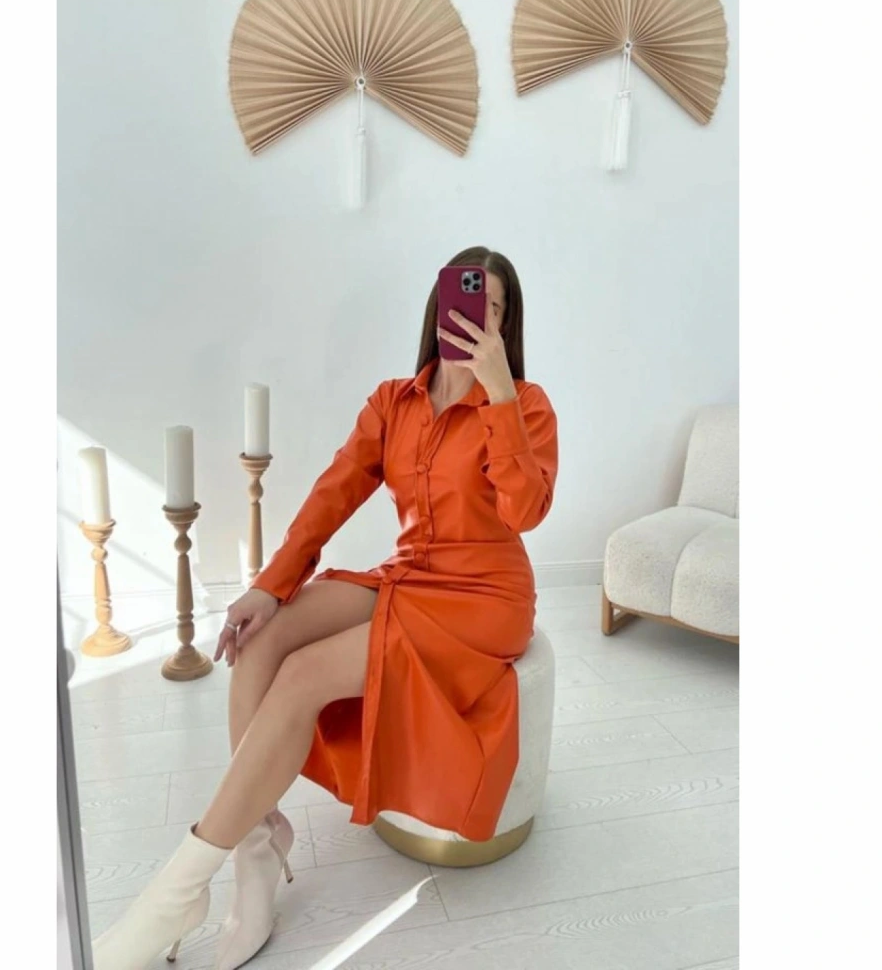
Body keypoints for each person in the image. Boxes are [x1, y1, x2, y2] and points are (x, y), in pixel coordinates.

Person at [92, 247, 559, 970]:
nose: (475, 318)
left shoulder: (526, 405)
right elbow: (333, 493)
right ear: (438, 308)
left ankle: (174, 894)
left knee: (304, 675)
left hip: (486, 599)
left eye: (491, 308)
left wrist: (498, 397)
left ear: (506, 325)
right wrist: (269, 584)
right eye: (463, 301)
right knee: (262, 638)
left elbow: (525, 512)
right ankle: (254, 852)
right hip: (410, 576)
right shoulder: (393, 401)